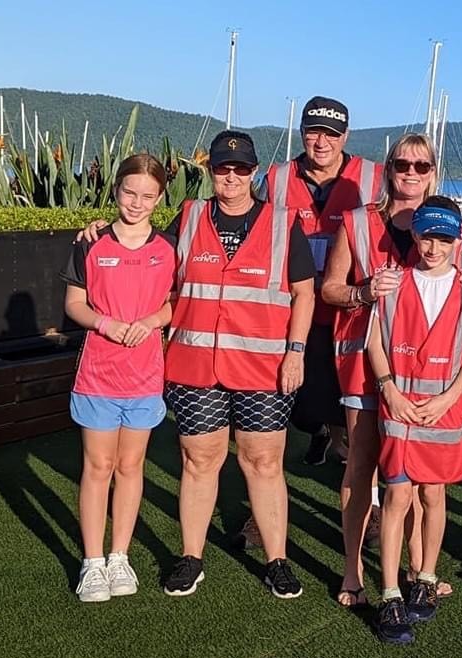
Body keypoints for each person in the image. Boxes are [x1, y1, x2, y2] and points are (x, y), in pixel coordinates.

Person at [156, 130, 317, 597]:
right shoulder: (187, 217)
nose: (231, 176)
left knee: (264, 463)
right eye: (222, 168)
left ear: (254, 172)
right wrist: (97, 237)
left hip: (264, 368)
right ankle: (191, 557)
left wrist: (296, 351)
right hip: (195, 365)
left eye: (241, 168)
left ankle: (277, 561)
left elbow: (304, 293)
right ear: (210, 171)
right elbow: (146, 258)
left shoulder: (283, 223)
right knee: (199, 461)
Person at [320, 134, 462, 607]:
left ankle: (417, 571)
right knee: (362, 464)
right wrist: (364, 292)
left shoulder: (447, 225)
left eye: (421, 166)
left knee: (419, 472)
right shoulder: (358, 223)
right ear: (388, 169)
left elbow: (457, 289)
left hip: (423, 376)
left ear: (433, 172)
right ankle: (352, 572)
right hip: (362, 368)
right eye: (401, 164)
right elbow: (329, 289)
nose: (411, 173)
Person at [366, 198, 462, 644]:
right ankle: (389, 592)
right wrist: (389, 390)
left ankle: (426, 575)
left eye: (443, 238)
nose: (434, 247)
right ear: (414, 237)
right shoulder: (393, 284)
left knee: (434, 494)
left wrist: (447, 400)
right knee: (397, 497)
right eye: (426, 237)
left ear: (458, 240)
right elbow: (375, 343)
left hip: (442, 410)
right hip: (399, 408)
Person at [62, 154, 176, 602]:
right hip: (97, 376)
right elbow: (74, 304)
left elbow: (173, 303)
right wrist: (105, 325)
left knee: (130, 467)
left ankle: (119, 556)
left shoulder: (168, 248)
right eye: (130, 192)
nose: (137, 202)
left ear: (160, 198)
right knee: (98, 467)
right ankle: (92, 563)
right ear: (116, 191)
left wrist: (150, 322)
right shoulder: (90, 243)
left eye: (148, 195)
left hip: (146, 377)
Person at [263, 96, 381, 466]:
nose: (321, 142)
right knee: (292, 405)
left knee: (352, 405)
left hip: (349, 312)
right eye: (313, 132)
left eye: (331, 134)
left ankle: (365, 495)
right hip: (291, 312)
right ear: (301, 132)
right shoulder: (275, 179)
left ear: (345, 136)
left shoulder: (372, 178)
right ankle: (318, 436)